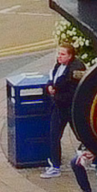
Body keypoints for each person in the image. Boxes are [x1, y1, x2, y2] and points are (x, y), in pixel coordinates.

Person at [42, 42, 79, 180]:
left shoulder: (75, 69)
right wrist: (49, 87)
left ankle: (93, 158)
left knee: (81, 135)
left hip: (70, 108)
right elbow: (52, 78)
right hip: (58, 107)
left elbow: (73, 92)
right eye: (59, 53)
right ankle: (55, 166)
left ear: (70, 56)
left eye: (63, 54)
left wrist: (55, 94)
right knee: (54, 135)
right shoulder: (59, 65)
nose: (59, 56)